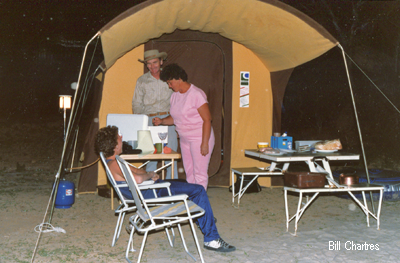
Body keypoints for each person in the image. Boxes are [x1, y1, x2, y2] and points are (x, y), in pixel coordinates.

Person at [94, 125, 236, 253]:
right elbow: (137, 179)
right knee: (198, 190)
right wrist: (149, 175)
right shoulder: (116, 164)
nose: (121, 138)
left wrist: (150, 174)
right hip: (154, 192)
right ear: (113, 144)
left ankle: (205, 218)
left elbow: (136, 172)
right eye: (118, 137)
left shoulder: (112, 162)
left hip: (150, 189)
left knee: (182, 182)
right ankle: (211, 239)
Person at [153, 63, 214, 190]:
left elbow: (207, 119)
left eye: (170, 83)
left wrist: (204, 143)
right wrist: (162, 121)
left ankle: (200, 202)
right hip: (185, 139)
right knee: (189, 172)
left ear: (179, 79)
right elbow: (175, 118)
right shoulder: (175, 96)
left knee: (200, 173)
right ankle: (192, 200)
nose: (169, 86)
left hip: (199, 138)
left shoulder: (197, 94)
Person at [132, 49, 178, 179]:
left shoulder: (170, 78)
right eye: (149, 64)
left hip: (168, 119)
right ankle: (149, 186)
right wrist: (140, 123)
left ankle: (171, 187)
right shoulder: (141, 80)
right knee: (149, 156)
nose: (152, 66)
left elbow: (178, 99)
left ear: (161, 62)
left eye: (155, 62)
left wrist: (177, 121)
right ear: (146, 65)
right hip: (148, 120)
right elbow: (136, 103)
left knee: (171, 155)